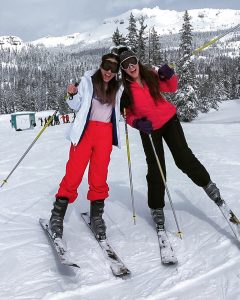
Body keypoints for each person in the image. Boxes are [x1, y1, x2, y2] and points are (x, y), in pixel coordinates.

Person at [119, 49, 223, 229]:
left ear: (137, 60)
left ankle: (208, 184)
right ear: (123, 69)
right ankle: (156, 207)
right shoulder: (124, 89)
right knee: (156, 167)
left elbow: (171, 87)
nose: (131, 66)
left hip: (169, 121)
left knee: (183, 158)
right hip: (148, 129)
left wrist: (169, 75)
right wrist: (136, 123)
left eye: (133, 61)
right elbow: (126, 115)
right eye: (126, 65)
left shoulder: (151, 74)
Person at [49, 53, 122, 240]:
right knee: (74, 172)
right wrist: (72, 93)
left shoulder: (118, 87)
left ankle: (96, 216)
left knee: (99, 175)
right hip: (85, 131)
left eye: (113, 69)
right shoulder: (88, 81)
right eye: (106, 66)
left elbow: (126, 106)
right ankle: (57, 215)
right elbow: (75, 104)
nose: (108, 71)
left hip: (105, 133)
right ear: (101, 65)